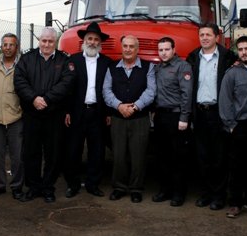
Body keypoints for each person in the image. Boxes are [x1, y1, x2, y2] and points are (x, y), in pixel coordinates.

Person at [14, 27, 74, 203]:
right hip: (32, 114)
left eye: (50, 41)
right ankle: (33, 187)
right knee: (31, 152)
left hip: (54, 115)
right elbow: (19, 80)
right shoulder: (27, 59)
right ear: (39, 40)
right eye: (44, 40)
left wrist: (46, 99)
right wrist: (33, 99)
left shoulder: (64, 61)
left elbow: (67, 83)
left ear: (55, 42)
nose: (46, 44)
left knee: (53, 153)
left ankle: (48, 188)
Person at [186, 22, 236, 210]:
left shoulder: (228, 58)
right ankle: (206, 194)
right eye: (202, 35)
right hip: (199, 113)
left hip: (218, 113)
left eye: (208, 34)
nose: (204, 38)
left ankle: (218, 196)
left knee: (219, 157)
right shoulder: (192, 58)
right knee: (202, 156)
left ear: (217, 37)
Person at [103, 35, 156, 203]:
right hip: (118, 118)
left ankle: (136, 188)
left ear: (137, 49)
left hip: (140, 118)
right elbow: (106, 90)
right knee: (118, 155)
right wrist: (119, 106)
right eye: (125, 46)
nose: (127, 49)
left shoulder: (148, 67)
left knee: (138, 155)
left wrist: (135, 107)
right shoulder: (112, 68)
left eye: (131, 46)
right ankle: (119, 187)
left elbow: (151, 91)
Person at [63, 22, 113, 198]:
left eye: (95, 39)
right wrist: (67, 111)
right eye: (89, 39)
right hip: (77, 111)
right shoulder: (73, 61)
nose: (92, 42)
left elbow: (109, 90)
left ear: (100, 43)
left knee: (97, 151)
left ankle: (93, 184)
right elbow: (68, 88)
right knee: (73, 150)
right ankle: (73, 184)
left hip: (97, 112)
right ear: (84, 41)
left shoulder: (107, 63)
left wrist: (108, 113)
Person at [218, 36, 247, 218]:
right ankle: (235, 203)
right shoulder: (232, 73)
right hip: (239, 125)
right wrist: (231, 125)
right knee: (237, 167)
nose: (244, 52)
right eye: (241, 49)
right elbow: (225, 100)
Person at [151, 36, 192, 207]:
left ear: (174, 50)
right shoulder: (158, 68)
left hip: (176, 117)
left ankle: (178, 193)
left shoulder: (182, 66)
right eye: (160, 50)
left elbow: (186, 94)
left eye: (167, 49)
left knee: (178, 157)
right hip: (161, 117)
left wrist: (184, 118)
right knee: (162, 156)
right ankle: (164, 190)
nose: (163, 53)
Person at [0, 33, 24, 199]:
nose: (8, 47)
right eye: (5, 44)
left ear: (17, 47)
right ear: (1, 46)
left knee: (18, 154)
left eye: (12, 45)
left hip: (16, 116)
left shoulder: (23, 65)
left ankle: (17, 186)